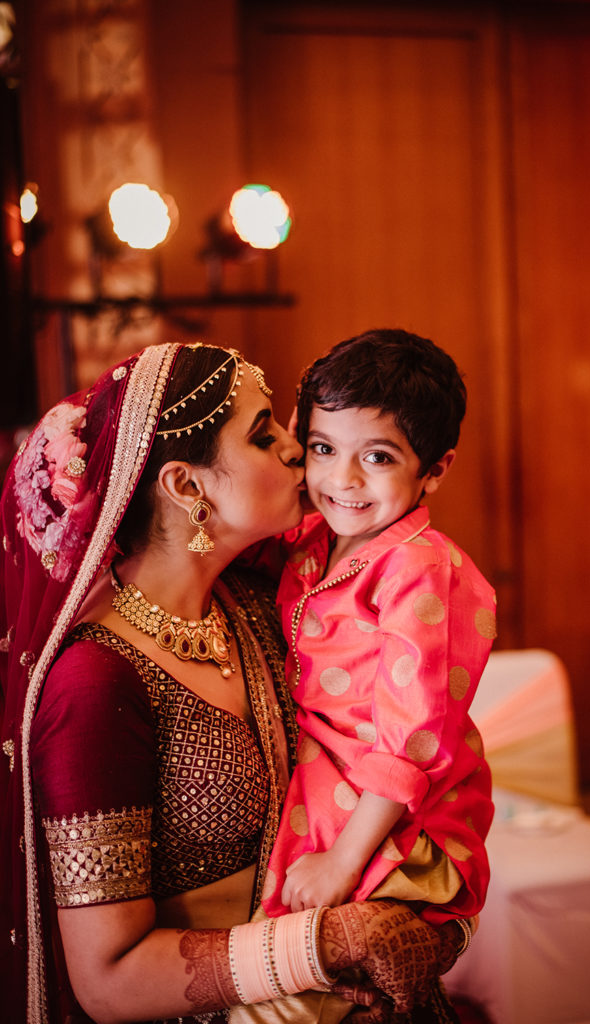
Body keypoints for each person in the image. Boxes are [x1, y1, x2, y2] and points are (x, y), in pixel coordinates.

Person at [0, 341, 470, 1024]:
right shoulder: (96, 683)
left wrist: (442, 921)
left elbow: (415, 732)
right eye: (264, 435)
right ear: (187, 487)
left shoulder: (264, 597)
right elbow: (108, 982)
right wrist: (328, 942)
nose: (296, 450)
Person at [258, 329, 496, 933]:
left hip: (397, 815)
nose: (343, 479)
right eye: (323, 448)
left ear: (433, 470)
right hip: (327, 780)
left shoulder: (421, 568)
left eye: (378, 457)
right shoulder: (313, 538)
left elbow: (410, 742)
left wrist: (343, 860)